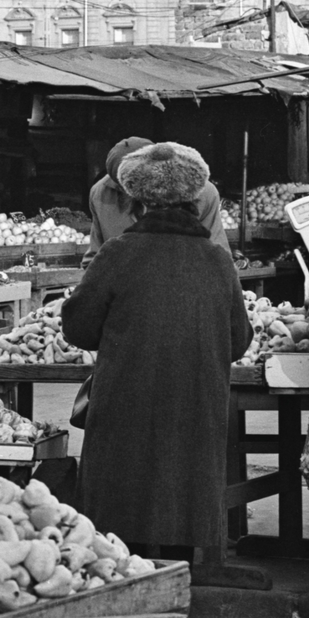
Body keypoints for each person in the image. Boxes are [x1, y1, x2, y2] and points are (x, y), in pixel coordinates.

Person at [62, 142, 251, 558]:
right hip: (196, 404)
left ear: (140, 200)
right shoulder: (217, 260)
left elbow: (78, 327)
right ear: (192, 199)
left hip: (126, 401)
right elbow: (240, 340)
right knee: (182, 499)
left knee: (122, 517)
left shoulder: (118, 254)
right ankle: (181, 582)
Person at [84, 134, 231, 263]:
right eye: (125, 187)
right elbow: (94, 258)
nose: (133, 195)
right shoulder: (100, 192)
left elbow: (220, 257)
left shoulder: (203, 192)